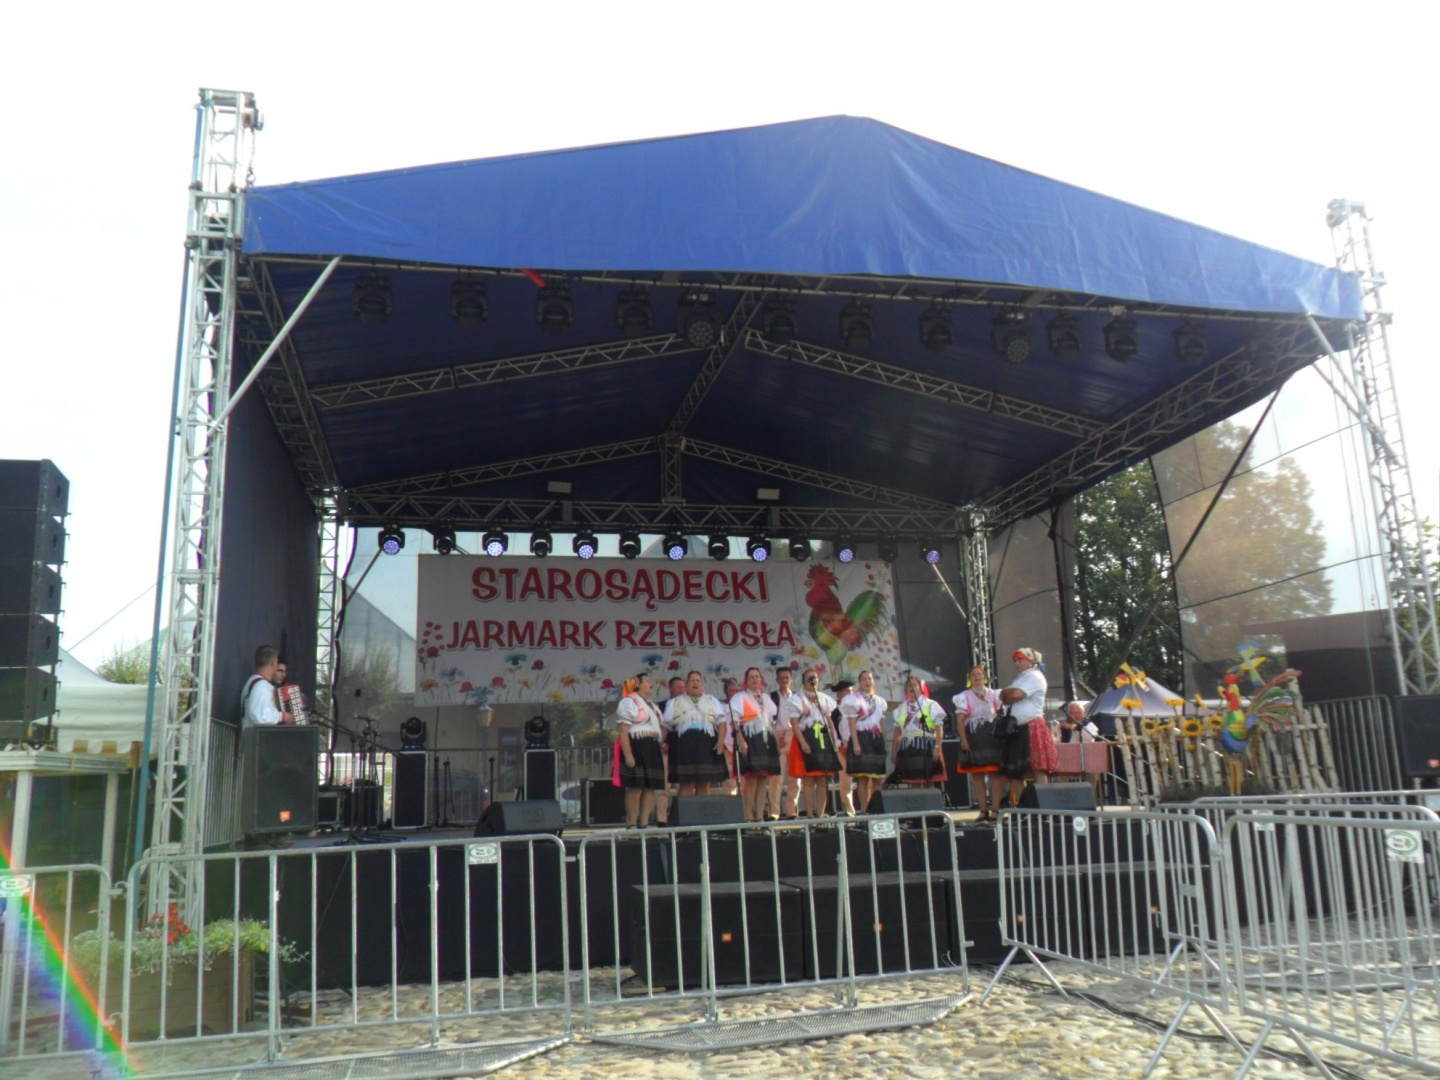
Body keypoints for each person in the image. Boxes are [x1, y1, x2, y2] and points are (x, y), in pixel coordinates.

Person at [998, 647, 1057, 806]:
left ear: (1030, 660)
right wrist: (1009, 693)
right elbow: (1004, 696)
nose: (1017, 663)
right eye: (1015, 661)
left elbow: (1014, 695)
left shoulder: (1035, 676)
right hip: (1016, 729)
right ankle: (1025, 805)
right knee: (1014, 771)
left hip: (1032, 726)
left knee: (1038, 768)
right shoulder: (1019, 679)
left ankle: (1044, 805)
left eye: (1020, 660)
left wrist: (1009, 692)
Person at [663, 670, 728, 796]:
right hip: (683, 746)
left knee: (704, 782)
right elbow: (666, 725)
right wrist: (660, 744)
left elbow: (721, 723)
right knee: (686, 783)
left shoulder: (711, 700)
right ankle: (685, 809)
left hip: (706, 745)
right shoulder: (675, 702)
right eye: (692, 680)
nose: (695, 683)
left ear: (702, 684)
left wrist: (720, 741)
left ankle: (702, 809)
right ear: (686, 684)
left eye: (698, 681)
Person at [953, 664, 1005, 822]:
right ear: (970, 678)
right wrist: (963, 739)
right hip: (973, 736)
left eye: (979, 674)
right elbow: (960, 721)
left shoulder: (994, 695)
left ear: (984, 676)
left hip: (992, 737)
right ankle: (983, 810)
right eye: (973, 674)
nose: (976, 677)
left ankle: (995, 810)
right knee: (976, 775)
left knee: (995, 774)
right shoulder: (964, 696)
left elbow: (1001, 714)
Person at [617, 673, 667, 827]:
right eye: (647, 681)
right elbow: (623, 729)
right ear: (638, 685)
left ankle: (644, 824)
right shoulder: (629, 702)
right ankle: (631, 823)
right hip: (637, 745)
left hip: (652, 746)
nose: (651, 683)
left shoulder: (651, 704)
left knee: (650, 786)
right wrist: (628, 754)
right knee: (635, 786)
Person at [730, 667, 780, 822]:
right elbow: (734, 722)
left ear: (761, 679)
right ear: (746, 680)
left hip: (765, 738)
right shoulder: (740, 697)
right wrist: (741, 741)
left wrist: (776, 742)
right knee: (752, 779)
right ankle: (748, 816)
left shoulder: (766, 698)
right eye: (751, 677)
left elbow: (771, 721)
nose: (754, 679)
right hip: (749, 737)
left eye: (757, 676)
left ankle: (760, 816)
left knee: (763, 779)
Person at [789, 668, 839, 818]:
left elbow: (829, 722)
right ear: (804, 681)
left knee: (823, 779)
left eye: (815, 678)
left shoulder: (824, 698)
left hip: (822, 738)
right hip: (807, 736)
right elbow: (794, 724)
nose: (813, 680)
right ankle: (810, 815)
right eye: (809, 678)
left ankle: (821, 814)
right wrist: (803, 743)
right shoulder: (797, 699)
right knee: (809, 779)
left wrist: (834, 740)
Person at [839, 670, 888, 813]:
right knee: (863, 778)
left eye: (870, 679)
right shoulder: (853, 700)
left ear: (873, 681)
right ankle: (865, 810)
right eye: (864, 679)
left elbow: (881, 723)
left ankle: (876, 809)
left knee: (877, 778)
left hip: (876, 739)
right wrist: (855, 743)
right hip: (861, 737)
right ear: (860, 683)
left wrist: (885, 742)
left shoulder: (879, 701)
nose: (867, 681)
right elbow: (852, 723)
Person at [892, 675, 946, 786]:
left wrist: (937, 747)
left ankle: (930, 797)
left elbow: (939, 728)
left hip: (926, 746)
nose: (911, 687)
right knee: (913, 781)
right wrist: (894, 750)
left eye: (914, 684)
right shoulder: (901, 708)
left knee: (928, 780)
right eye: (909, 685)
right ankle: (915, 798)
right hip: (908, 747)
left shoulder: (931, 705)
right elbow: (897, 731)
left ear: (921, 688)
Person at [770, 668, 807, 818]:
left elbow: (803, 719)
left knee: (795, 778)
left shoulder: (798, 697)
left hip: (793, 737)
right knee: (776, 780)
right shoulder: (772, 697)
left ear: (792, 680)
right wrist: (775, 737)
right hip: (778, 737)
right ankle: (774, 812)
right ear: (777, 680)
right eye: (782, 678)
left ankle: (792, 812)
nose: (784, 680)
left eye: (787, 678)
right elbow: (768, 719)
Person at [830, 679, 857, 814]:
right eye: (847, 691)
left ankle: (869, 810)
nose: (850, 694)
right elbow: (832, 730)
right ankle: (849, 811)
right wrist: (840, 746)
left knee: (866, 779)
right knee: (846, 780)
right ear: (839, 693)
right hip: (843, 746)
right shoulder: (834, 711)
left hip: (858, 744)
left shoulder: (857, 708)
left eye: (851, 691)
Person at [241, 645, 283, 728]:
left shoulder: (252, 681)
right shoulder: (261, 686)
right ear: (272, 663)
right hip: (256, 736)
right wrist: (283, 716)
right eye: (277, 662)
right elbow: (260, 716)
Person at [719, 676, 740, 795]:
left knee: (744, 780)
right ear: (725, 691)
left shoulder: (742, 706)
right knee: (729, 781)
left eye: (737, 691)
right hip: (727, 747)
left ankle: (745, 805)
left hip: (741, 746)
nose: (735, 693)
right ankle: (730, 803)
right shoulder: (720, 707)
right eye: (732, 691)